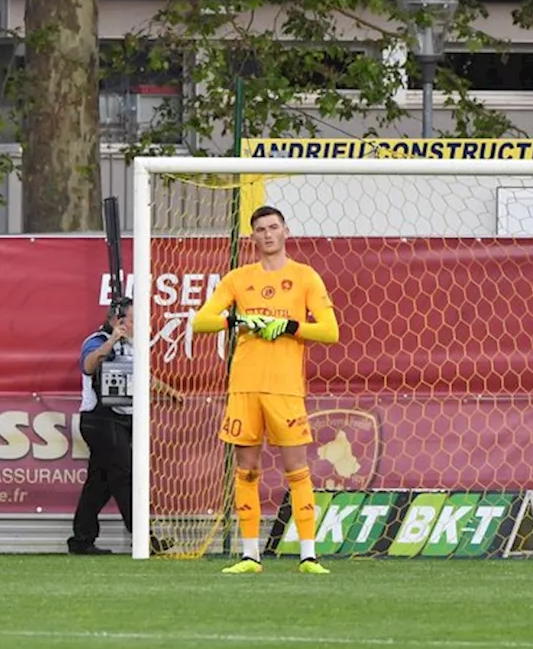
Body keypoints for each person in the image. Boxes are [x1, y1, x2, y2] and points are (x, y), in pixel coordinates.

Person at [192, 205, 340, 575]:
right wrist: (238, 319)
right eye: (261, 229)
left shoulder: (305, 277)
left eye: (274, 227)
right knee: (247, 469)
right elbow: (201, 321)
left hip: (285, 389)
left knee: (297, 469)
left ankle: (308, 555)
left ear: (286, 231)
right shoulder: (238, 279)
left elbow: (330, 330)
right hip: (244, 388)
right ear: (253, 237)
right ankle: (250, 555)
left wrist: (289, 327)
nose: (268, 234)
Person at [69, 297, 181, 555]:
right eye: (133, 320)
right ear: (118, 321)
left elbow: (143, 375)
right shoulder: (97, 341)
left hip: (121, 420)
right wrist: (111, 341)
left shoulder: (131, 347)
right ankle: (144, 538)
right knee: (126, 475)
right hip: (100, 420)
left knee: (100, 483)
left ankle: (81, 540)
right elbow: (88, 366)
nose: (138, 325)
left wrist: (169, 391)